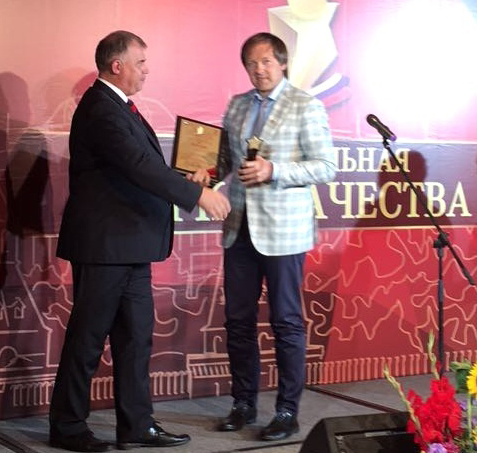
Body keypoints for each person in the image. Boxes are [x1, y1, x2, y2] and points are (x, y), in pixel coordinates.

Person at [49, 30, 230, 452]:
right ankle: (68, 427)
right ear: (118, 66)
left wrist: (188, 178)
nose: (147, 70)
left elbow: (144, 165)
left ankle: (137, 425)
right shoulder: (101, 108)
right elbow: (137, 166)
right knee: (88, 339)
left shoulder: (119, 107)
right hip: (106, 248)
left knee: (135, 339)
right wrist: (198, 196)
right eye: (141, 62)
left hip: (131, 246)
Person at [215, 32, 336, 441]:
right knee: (238, 321)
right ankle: (243, 404)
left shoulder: (305, 104)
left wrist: (275, 171)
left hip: (284, 233)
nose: (258, 69)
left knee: (286, 321)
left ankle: (287, 411)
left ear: (282, 63)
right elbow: (223, 162)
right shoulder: (237, 105)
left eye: (266, 61)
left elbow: (325, 166)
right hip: (239, 228)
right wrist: (201, 173)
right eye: (251, 63)